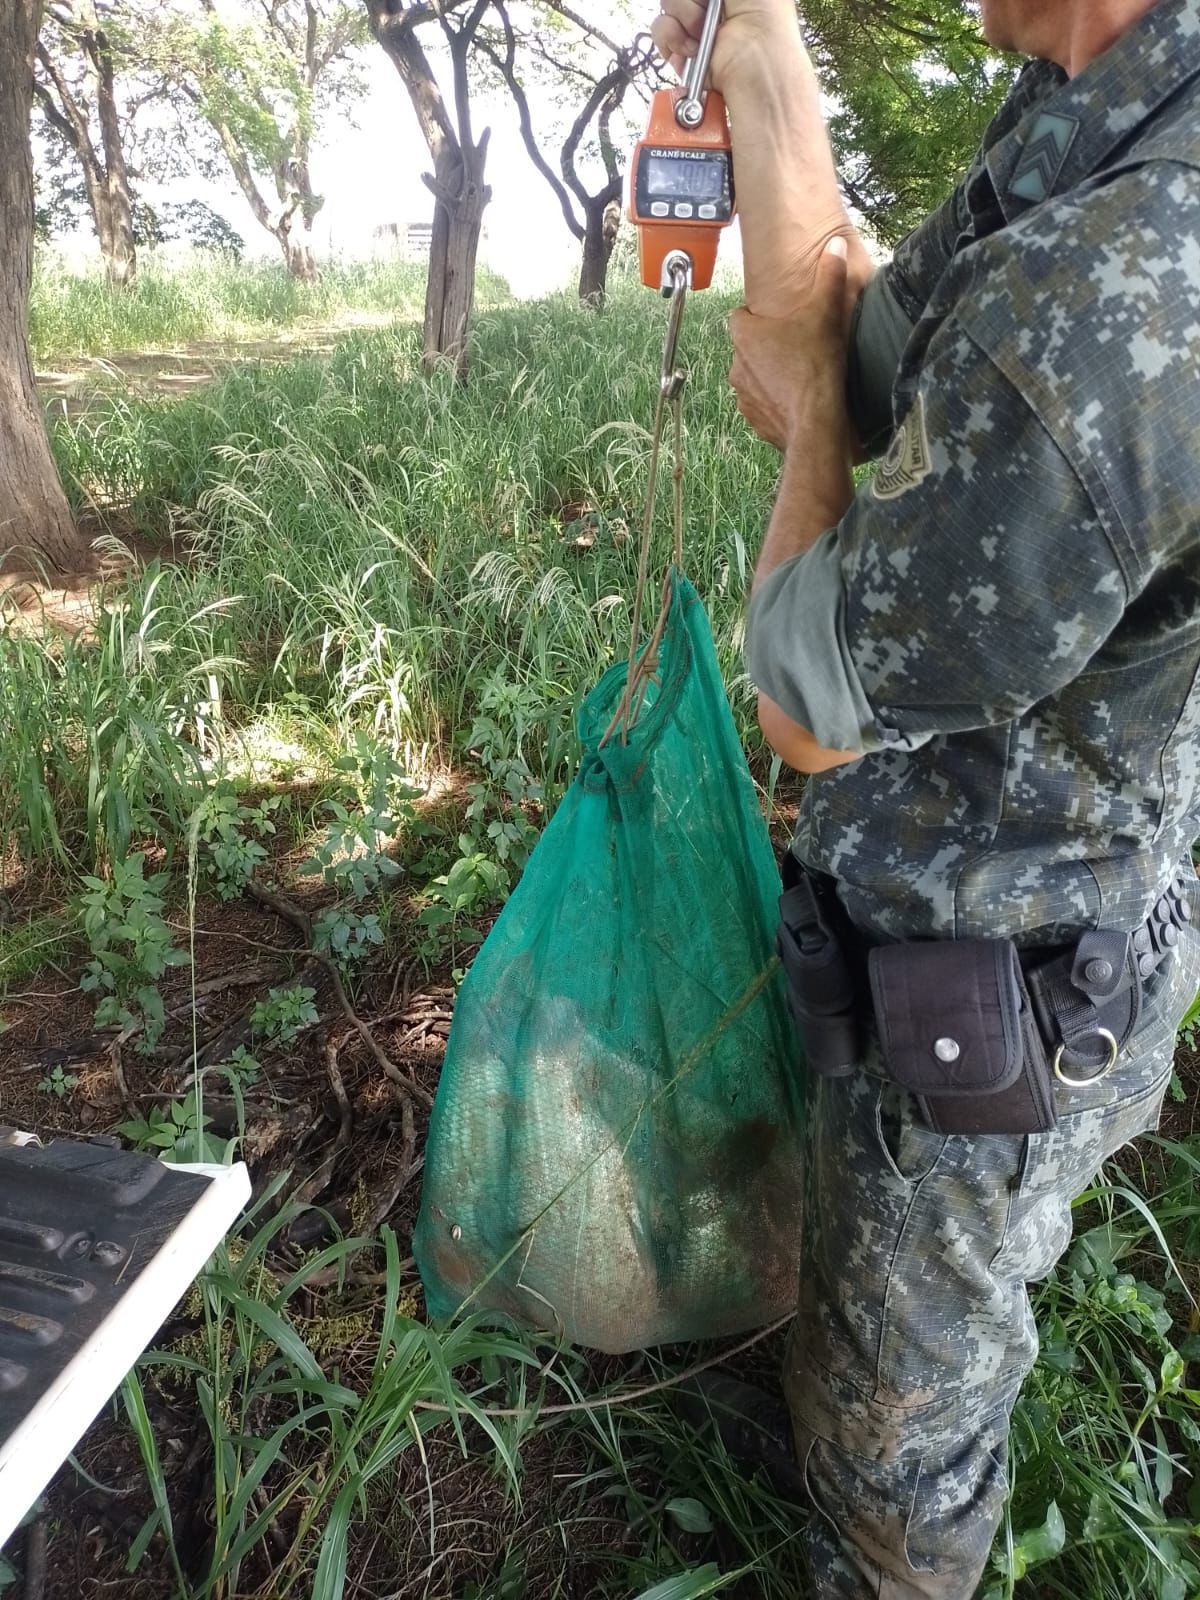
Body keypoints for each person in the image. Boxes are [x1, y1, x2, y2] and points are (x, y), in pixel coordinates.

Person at [649, 0, 1200, 1595]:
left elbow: (805, 706)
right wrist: (763, 72)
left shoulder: (1122, 295)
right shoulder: (1092, 99)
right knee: (893, 1329)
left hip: (994, 1010)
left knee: (907, 1460)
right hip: (1054, 903)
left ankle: (883, 1513)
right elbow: (883, 339)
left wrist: (813, 408)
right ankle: (866, 1392)